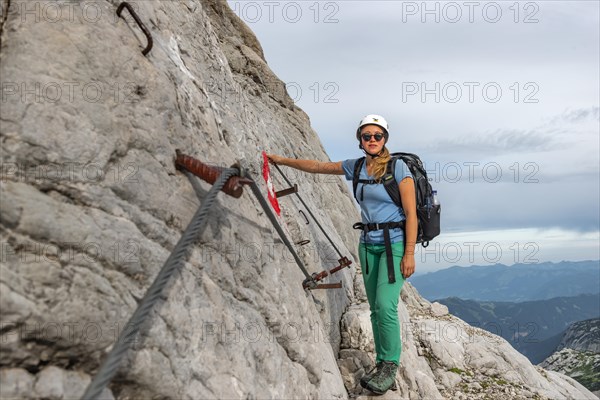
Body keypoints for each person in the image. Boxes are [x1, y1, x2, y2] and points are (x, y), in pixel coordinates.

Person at [267, 114, 417, 395]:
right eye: (366, 136)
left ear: (385, 139)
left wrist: (409, 253)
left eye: (377, 136)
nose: (372, 140)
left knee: (386, 305)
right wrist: (282, 160)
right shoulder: (357, 167)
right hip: (368, 244)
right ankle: (382, 361)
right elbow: (318, 166)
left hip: (394, 244)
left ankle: (390, 367)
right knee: (374, 308)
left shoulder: (399, 169)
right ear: (360, 140)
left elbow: (411, 214)